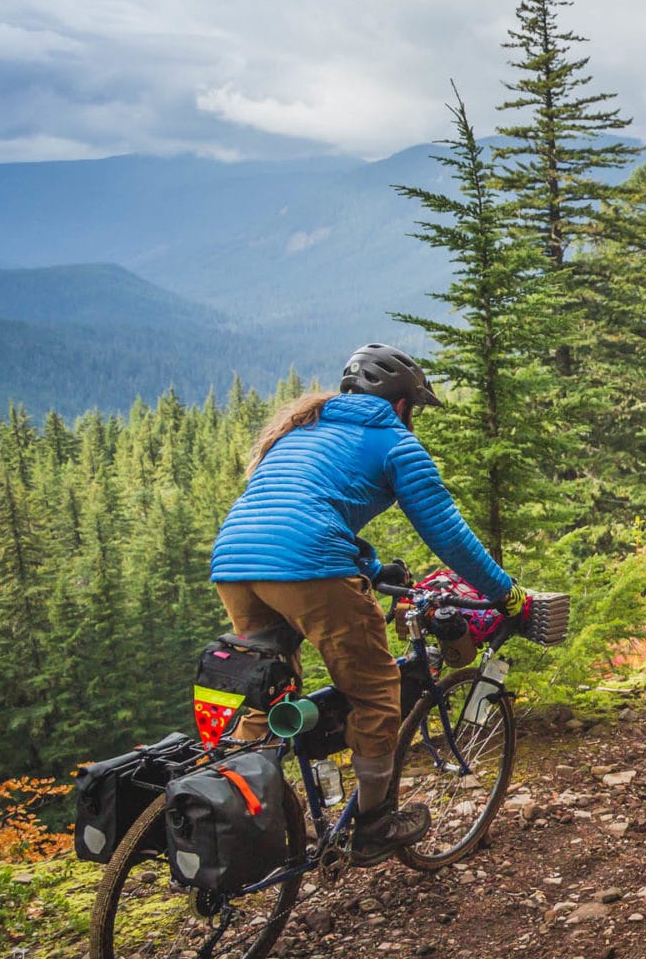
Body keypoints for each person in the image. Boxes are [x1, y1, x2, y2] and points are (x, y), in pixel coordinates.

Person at [209, 344, 527, 865]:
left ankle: (245, 817)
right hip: (309, 565)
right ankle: (375, 824)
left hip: (235, 564)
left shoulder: (303, 429)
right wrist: (506, 593)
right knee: (376, 690)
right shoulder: (393, 440)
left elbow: (302, 507)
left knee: (268, 696)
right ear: (401, 405)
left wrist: (372, 569)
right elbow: (448, 534)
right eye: (416, 409)